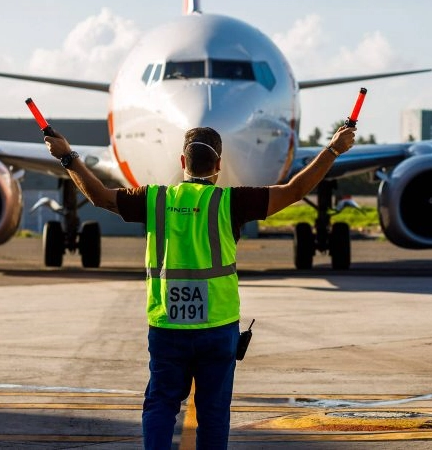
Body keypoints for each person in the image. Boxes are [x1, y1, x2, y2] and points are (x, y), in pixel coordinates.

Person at [44, 124, 355, 449]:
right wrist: (333, 149)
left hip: (167, 326)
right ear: (219, 165)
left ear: (183, 161)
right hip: (217, 329)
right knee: (214, 412)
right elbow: (294, 189)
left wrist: (67, 156)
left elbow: (100, 196)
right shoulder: (231, 201)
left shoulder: (154, 199)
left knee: (161, 404)